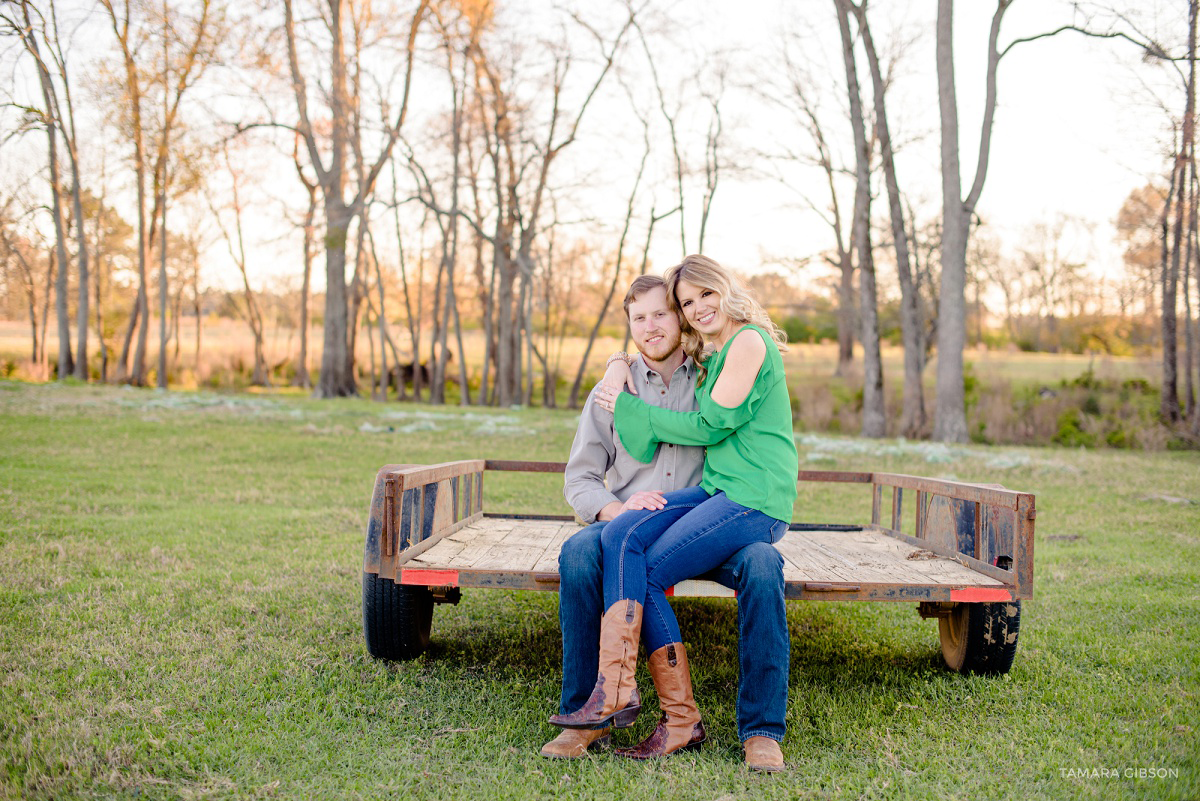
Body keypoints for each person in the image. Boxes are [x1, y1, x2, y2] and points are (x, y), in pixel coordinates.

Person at [544, 258, 797, 772]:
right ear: (630, 326)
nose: (653, 326)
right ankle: (583, 716)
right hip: (633, 519)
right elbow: (580, 480)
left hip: (715, 514)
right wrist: (616, 508)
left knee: (763, 564)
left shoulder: (709, 371)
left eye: (664, 313)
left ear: (679, 321)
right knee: (578, 553)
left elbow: (721, 421)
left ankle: (762, 731)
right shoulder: (611, 391)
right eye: (640, 319)